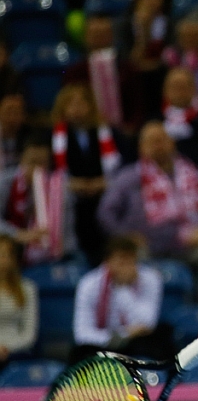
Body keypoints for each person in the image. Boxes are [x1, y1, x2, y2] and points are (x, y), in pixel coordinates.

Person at [97, 122, 198, 299]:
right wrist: (125, 236)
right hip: (147, 245)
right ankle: (141, 307)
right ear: (141, 148)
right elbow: (106, 213)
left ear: (172, 143)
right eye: (152, 141)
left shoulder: (195, 173)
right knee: (127, 255)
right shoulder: (128, 177)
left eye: (162, 140)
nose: (158, 146)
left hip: (189, 241)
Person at [50, 84, 126, 266]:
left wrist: (104, 182)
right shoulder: (53, 136)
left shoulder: (109, 132)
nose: (76, 109)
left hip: (104, 193)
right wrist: (70, 184)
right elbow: (49, 172)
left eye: (81, 104)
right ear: (62, 108)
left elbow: (125, 165)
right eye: (71, 104)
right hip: (71, 197)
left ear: (91, 106)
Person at [71, 235, 174, 364]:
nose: (126, 268)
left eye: (131, 261)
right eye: (121, 262)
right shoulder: (88, 284)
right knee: (81, 353)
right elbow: (82, 334)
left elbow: (147, 324)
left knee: (162, 340)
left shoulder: (150, 279)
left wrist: (123, 289)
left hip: (135, 342)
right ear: (108, 262)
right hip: (103, 344)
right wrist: (120, 336)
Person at [0, 135, 76, 265]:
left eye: (42, 163)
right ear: (21, 160)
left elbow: (68, 230)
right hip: (11, 249)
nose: (37, 168)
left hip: (51, 255)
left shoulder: (58, 187)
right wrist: (19, 234)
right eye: (32, 162)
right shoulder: (5, 182)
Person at [0, 236, 37, 369]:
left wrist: (7, 348)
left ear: (13, 259)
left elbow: (29, 334)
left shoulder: (28, 289)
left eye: (4, 255)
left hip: (17, 353)